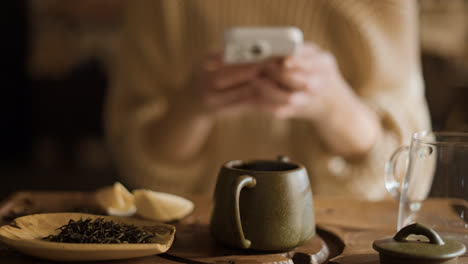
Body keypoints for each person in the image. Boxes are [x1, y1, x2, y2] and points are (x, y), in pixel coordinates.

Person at [105, 0, 431, 200]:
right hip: (195, 238)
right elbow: (136, 167)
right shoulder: (161, 6)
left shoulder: (387, 5)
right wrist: (190, 108)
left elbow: (413, 174)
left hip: (342, 243)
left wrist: (335, 107)